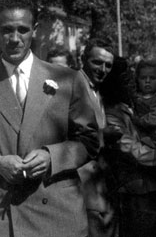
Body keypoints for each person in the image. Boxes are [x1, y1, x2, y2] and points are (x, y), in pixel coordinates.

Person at [0, 0, 99, 237]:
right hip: (2, 215)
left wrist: (51, 156)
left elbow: (90, 140)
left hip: (57, 212)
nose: (15, 39)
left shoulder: (67, 79)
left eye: (23, 30)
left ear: (34, 30)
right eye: (6, 30)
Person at [99, 66, 156, 237]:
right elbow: (128, 147)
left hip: (148, 184)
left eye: (131, 78)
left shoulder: (129, 106)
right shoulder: (112, 113)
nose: (131, 83)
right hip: (135, 187)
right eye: (125, 80)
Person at [78, 38, 117, 237]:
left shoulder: (98, 90)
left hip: (101, 187)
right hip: (82, 188)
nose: (102, 69)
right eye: (97, 62)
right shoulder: (73, 86)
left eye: (108, 65)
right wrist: (104, 135)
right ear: (83, 59)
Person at [132, 58, 156, 142]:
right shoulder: (134, 97)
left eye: (152, 78)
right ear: (137, 79)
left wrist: (137, 120)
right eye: (143, 78)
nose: (147, 81)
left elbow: (153, 118)